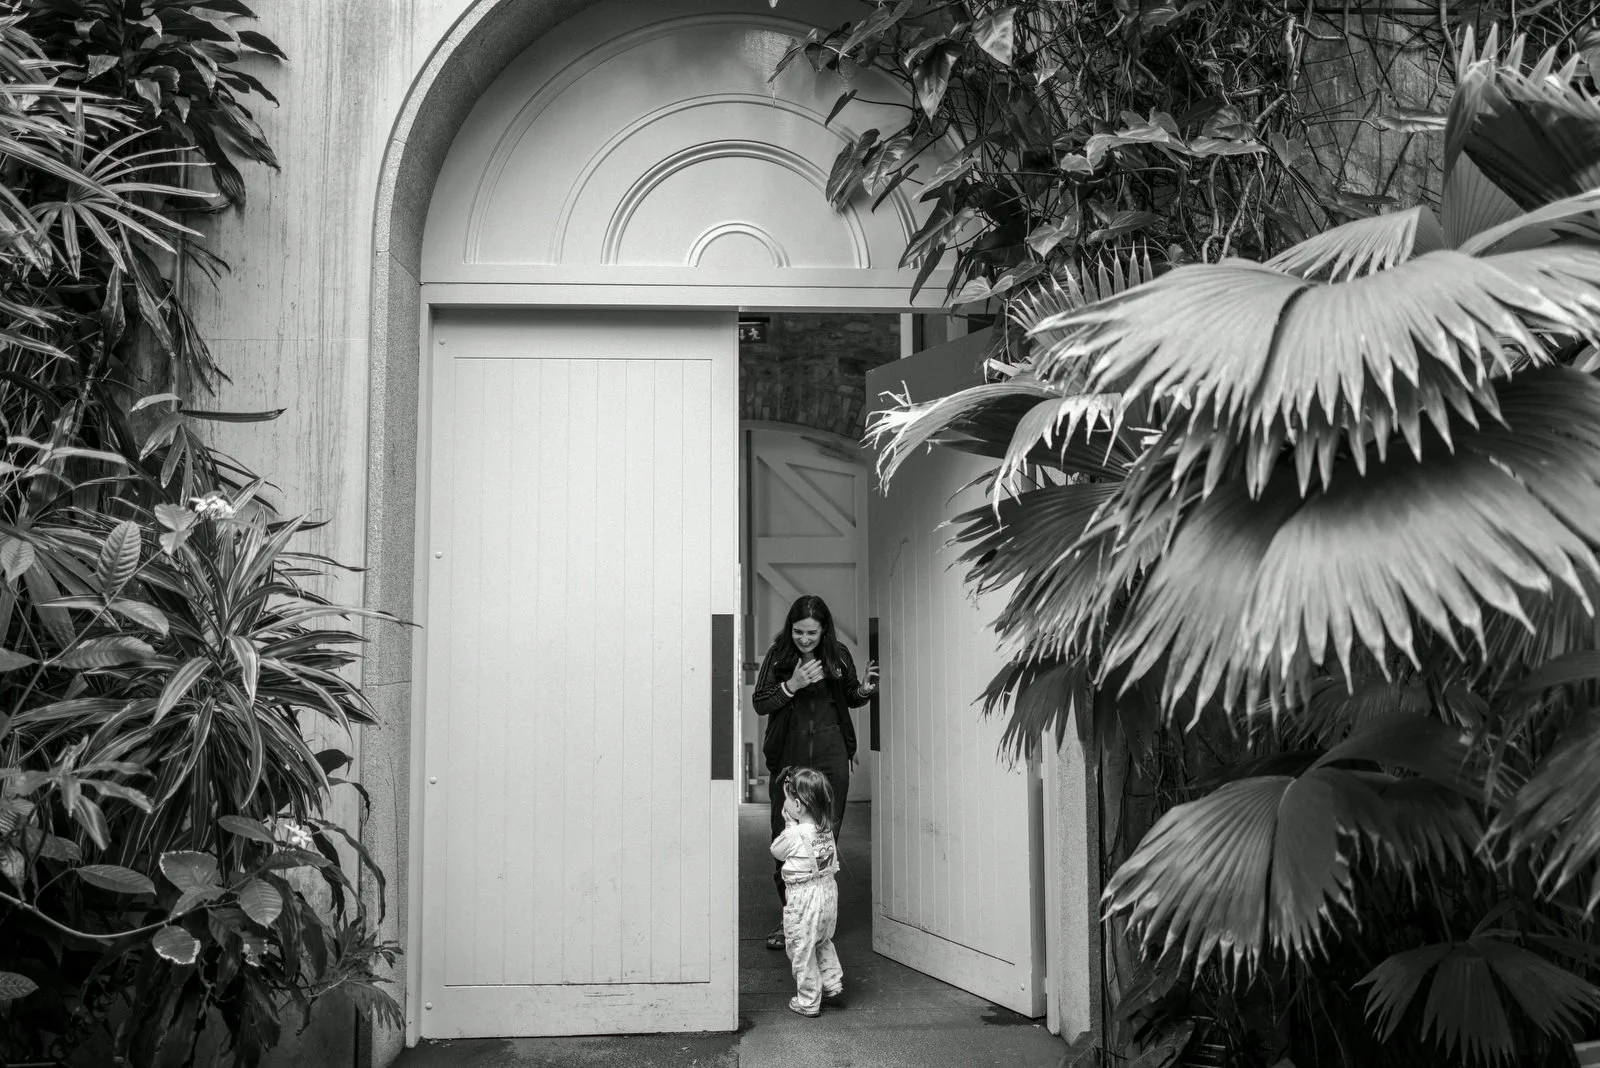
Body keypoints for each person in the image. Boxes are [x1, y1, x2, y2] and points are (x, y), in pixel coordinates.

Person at [752, 594, 877, 950]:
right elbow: (760, 703)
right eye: (798, 632)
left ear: (824, 631)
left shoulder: (837, 655)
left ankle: (817, 920)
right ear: (790, 628)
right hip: (790, 759)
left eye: (811, 633)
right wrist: (793, 685)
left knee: (824, 842)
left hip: (831, 756)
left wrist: (865, 690)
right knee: (788, 839)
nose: (804, 639)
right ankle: (790, 917)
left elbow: (850, 695)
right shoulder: (779, 656)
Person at [770, 767, 843, 1017]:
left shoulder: (794, 834)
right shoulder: (826, 830)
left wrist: (789, 825)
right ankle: (832, 983)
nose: (785, 804)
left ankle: (808, 1001)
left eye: (787, 799)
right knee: (822, 941)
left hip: (804, 900)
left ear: (798, 806)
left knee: (801, 948)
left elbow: (776, 851)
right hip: (828, 894)